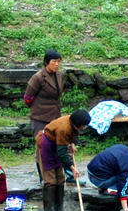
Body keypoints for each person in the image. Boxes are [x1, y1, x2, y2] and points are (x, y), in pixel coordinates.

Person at [23, 49, 85, 186]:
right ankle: (43, 177)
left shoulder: (59, 75)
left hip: (55, 116)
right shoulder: (38, 77)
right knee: (42, 147)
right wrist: (39, 108)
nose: (57, 64)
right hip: (40, 117)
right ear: (47, 62)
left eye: (59, 62)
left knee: (63, 145)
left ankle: (69, 175)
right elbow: (28, 98)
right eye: (54, 62)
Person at [36, 110, 91, 211]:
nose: (84, 128)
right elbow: (62, 153)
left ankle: (58, 209)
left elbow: (74, 134)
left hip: (57, 145)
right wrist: (72, 168)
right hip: (47, 146)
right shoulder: (63, 129)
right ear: (77, 124)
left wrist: (73, 143)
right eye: (83, 126)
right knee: (50, 180)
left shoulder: (73, 122)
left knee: (60, 178)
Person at [87, 144, 128, 211]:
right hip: (98, 179)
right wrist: (125, 210)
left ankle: (102, 187)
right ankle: (111, 189)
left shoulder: (123, 148)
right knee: (125, 179)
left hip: (90, 172)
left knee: (118, 171)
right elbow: (123, 184)